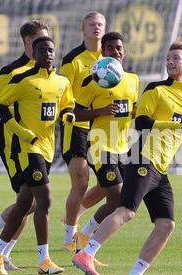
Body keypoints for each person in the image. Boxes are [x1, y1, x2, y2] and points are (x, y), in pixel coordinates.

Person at [72, 38, 182, 275]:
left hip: (161, 169)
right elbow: (141, 123)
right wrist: (174, 125)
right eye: (168, 58)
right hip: (142, 158)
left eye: (176, 58)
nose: (170, 62)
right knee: (127, 210)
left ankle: (135, 274)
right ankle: (86, 252)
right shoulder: (155, 90)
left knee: (166, 224)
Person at [0, 36, 76, 275]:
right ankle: (44, 261)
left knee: (25, 204)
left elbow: (68, 104)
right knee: (45, 201)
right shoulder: (22, 79)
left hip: (48, 148)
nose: (47, 54)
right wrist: (22, 132)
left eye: (51, 50)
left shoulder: (61, 81)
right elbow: (0, 105)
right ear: (33, 54)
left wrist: (68, 115)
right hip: (29, 149)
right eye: (42, 50)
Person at [0, 20, 49, 271]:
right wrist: (16, 104)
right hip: (14, 144)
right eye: (40, 39)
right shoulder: (12, 70)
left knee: (30, 202)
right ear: (28, 41)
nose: (46, 46)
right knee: (31, 201)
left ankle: (0, 248)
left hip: (40, 144)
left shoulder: (46, 70)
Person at [74, 32, 139, 254]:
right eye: (110, 48)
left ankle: (83, 236)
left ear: (124, 52)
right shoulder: (95, 80)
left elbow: (132, 111)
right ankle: (85, 240)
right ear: (103, 52)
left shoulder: (133, 79)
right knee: (119, 199)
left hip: (122, 146)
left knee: (116, 202)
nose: (115, 51)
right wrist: (100, 111)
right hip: (100, 146)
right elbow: (75, 112)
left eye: (118, 48)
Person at [59, 11, 107, 253]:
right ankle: (70, 237)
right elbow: (62, 94)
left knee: (110, 185)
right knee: (81, 181)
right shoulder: (73, 60)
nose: (96, 28)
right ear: (83, 29)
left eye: (100, 24)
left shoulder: (109, 59)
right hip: (76, 125)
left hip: (102, 127)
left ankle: (72, 216)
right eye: (92, 24)